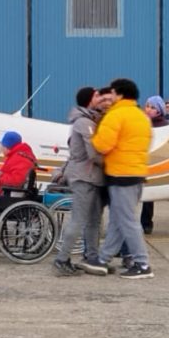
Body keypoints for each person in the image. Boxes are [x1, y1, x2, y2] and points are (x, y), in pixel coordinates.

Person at [81, 78, 154, 279]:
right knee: (118, 221)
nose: (109, 97)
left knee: (127, 221)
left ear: (119, 94)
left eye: (112, 93)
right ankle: (103, 259)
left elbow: (102, 145)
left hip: (120, 174)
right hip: (137, 173)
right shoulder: (141, 116)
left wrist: (92, 136)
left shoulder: (116, 115)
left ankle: (142, 263)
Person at [50, 87, 105, 276]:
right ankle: (62, 259)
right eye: (97, 95)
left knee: (94, 220)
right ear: (89, 100)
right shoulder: (83, 122)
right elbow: (94, 153)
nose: (101, 98)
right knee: (79, 220)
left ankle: (91, 256)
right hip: (84, 177)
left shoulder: (89, 120)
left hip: (92, 178)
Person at [139, 95, 168, 235]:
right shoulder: (142, 123)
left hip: (153, 163)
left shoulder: (163, 126)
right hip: (142, 161)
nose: (148, 109)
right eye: (147, 106)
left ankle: (146, 223)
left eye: (152, 107)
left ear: (159, 111)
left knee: (149, 196)